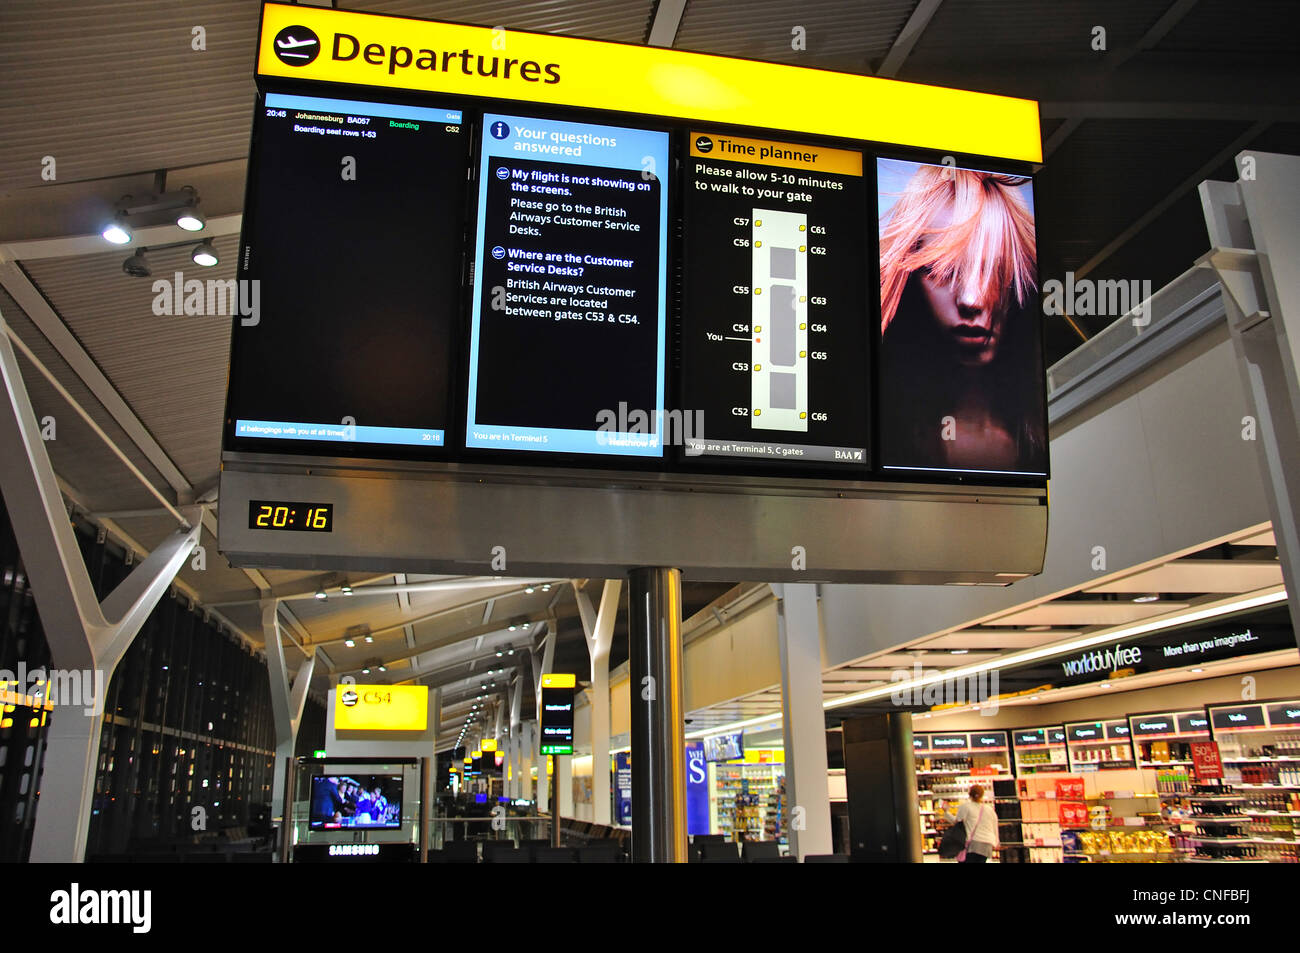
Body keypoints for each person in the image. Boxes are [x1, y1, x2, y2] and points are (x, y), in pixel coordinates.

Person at [878, 163, 1045, 474]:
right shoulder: (879, 429)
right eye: (944, 272)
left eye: (995, 270)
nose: (971, 300)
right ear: (910, 280)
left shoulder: (1039, 438)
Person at [955, 784, 997, 863]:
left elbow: (957, 822)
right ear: (982, 795)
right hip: (987, 844)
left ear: (969, 794)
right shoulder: (989, 809)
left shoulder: (965, 807)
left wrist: (946, 814)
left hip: (973, 844)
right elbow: (995, 827)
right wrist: (996, 842)